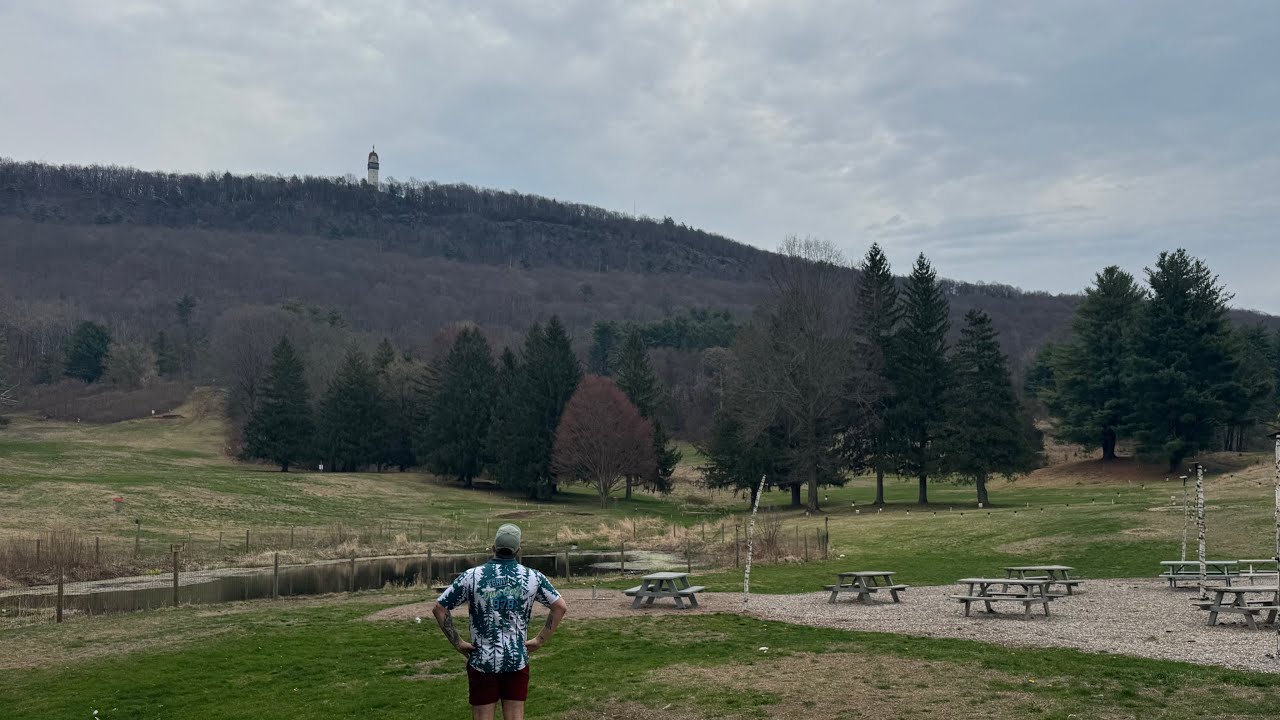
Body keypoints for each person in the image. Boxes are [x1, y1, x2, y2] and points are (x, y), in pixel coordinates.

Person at [432, 523, 568, 720]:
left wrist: (459, 643)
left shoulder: (472, 576)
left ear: (493, 548)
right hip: (516, 660)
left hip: (482, 661)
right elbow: (560, 607)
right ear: (518, 550)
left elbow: (440, 609)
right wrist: (539, 640)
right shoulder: (532, 577)